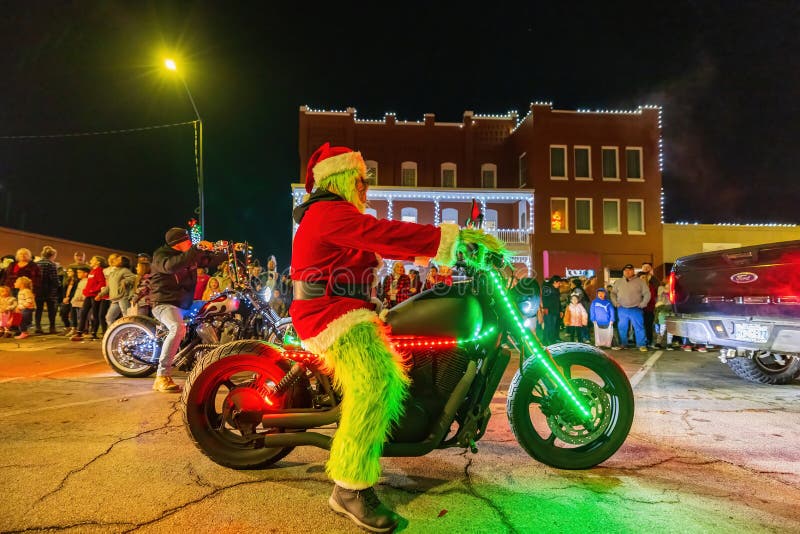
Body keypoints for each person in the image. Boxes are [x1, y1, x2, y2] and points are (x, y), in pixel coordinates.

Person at [290, 142, 503, 531]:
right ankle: (349, 488)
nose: (365, 189)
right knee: (377, 381)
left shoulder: (339, 215)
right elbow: (384, 233)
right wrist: (450, 240)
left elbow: (386, 245)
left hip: (352, 309)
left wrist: (453, 253)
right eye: (360, 181)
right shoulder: (327, 213)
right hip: (328, 314)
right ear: (339, 178)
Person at [150, 227, 223, 393]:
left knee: (216, 306)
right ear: (177, 243)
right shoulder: (161, 256)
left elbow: (208, 261)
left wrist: (224, 250)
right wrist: (195, 249)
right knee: (177, 327)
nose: (190, 242)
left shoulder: (188, 254)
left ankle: (213, 357)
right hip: (164, 303)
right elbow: (171, 267)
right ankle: (162, 376)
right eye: (187, 240)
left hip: (186, 303)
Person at [611, 264, 651, 352]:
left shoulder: (640, 282)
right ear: (623, 272)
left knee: (639, 327)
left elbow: (647, 293)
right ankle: (623, 344)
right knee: (622, 327)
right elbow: (613, 293)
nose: (627, 272)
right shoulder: (618, 282)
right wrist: (615, 302)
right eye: (625, 270)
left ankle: (641, 345)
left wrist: (643, 303)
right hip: (622, 308)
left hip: (636, 308)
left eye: (629, 270)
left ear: (633, 271)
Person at [71, 256, 107, 342]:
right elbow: (89, 283)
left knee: (95, 314)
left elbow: (102, 283)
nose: (90, 260)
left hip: (95, 295)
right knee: (83, 312)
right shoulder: (92, 271)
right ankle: (79, 332)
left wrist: (93, 290)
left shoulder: (99, 270)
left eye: (93, 260)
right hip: (89, 295)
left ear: (98, 262)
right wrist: (86, 290)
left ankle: (94, 333)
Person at [102, 254, 137, 325]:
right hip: (114, 299)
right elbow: (109, 286)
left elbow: (134, 277)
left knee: (127, 317)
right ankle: (115, 333)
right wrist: (100, 294)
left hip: (123, 298)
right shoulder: (112, 273)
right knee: (109, 318)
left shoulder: (125, 270)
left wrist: (125, 281)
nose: (115, 260)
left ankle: (129, 333)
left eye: (118, 259)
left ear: (123, 262)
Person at [34, 246, 60, 334]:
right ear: (52, 255)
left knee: (39, 309)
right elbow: (54, 278)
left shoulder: (37, 263)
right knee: (51, 310)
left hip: (38, 290)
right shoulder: (51, 264)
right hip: (49, 290)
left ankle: (38, 327)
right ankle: (52, 328)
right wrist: (58, 286)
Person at [69, 267, 89, 335]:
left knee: (83, 317)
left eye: (80, 272)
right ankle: (81, 330)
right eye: (77, 272)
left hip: (81, 302)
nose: (78, 274)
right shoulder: (81, 281)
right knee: (79, 317)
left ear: (85, 273)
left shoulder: (86, 281)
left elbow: (83, 293)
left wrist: (77, 298)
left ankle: (84, 331)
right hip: (77, 302)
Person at [59, 268, 79, 336]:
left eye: (70, 271)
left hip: (73, 299)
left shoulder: (77, 281)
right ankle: (67, 327)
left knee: (73, 315)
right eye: (68, 271)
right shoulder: (67, 280)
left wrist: (69, 298)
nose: (68, 272)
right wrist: (64, 297)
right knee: (63, 313)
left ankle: (74, 328)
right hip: (66, 299)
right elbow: (64, 290)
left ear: (74, 272)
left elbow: (75, 291)